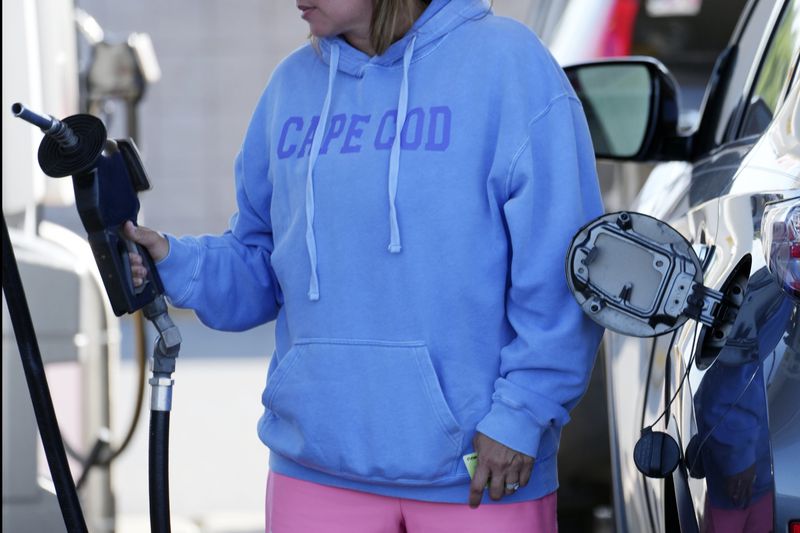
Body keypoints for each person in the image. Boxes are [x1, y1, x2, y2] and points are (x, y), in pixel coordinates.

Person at [124, 0, 604, 531]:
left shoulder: (509, 66)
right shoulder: (291, 88)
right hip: (316, 471)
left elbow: (562, 268)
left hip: (478, 476)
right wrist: (176, 260)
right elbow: (263, 267)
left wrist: (523, 413)